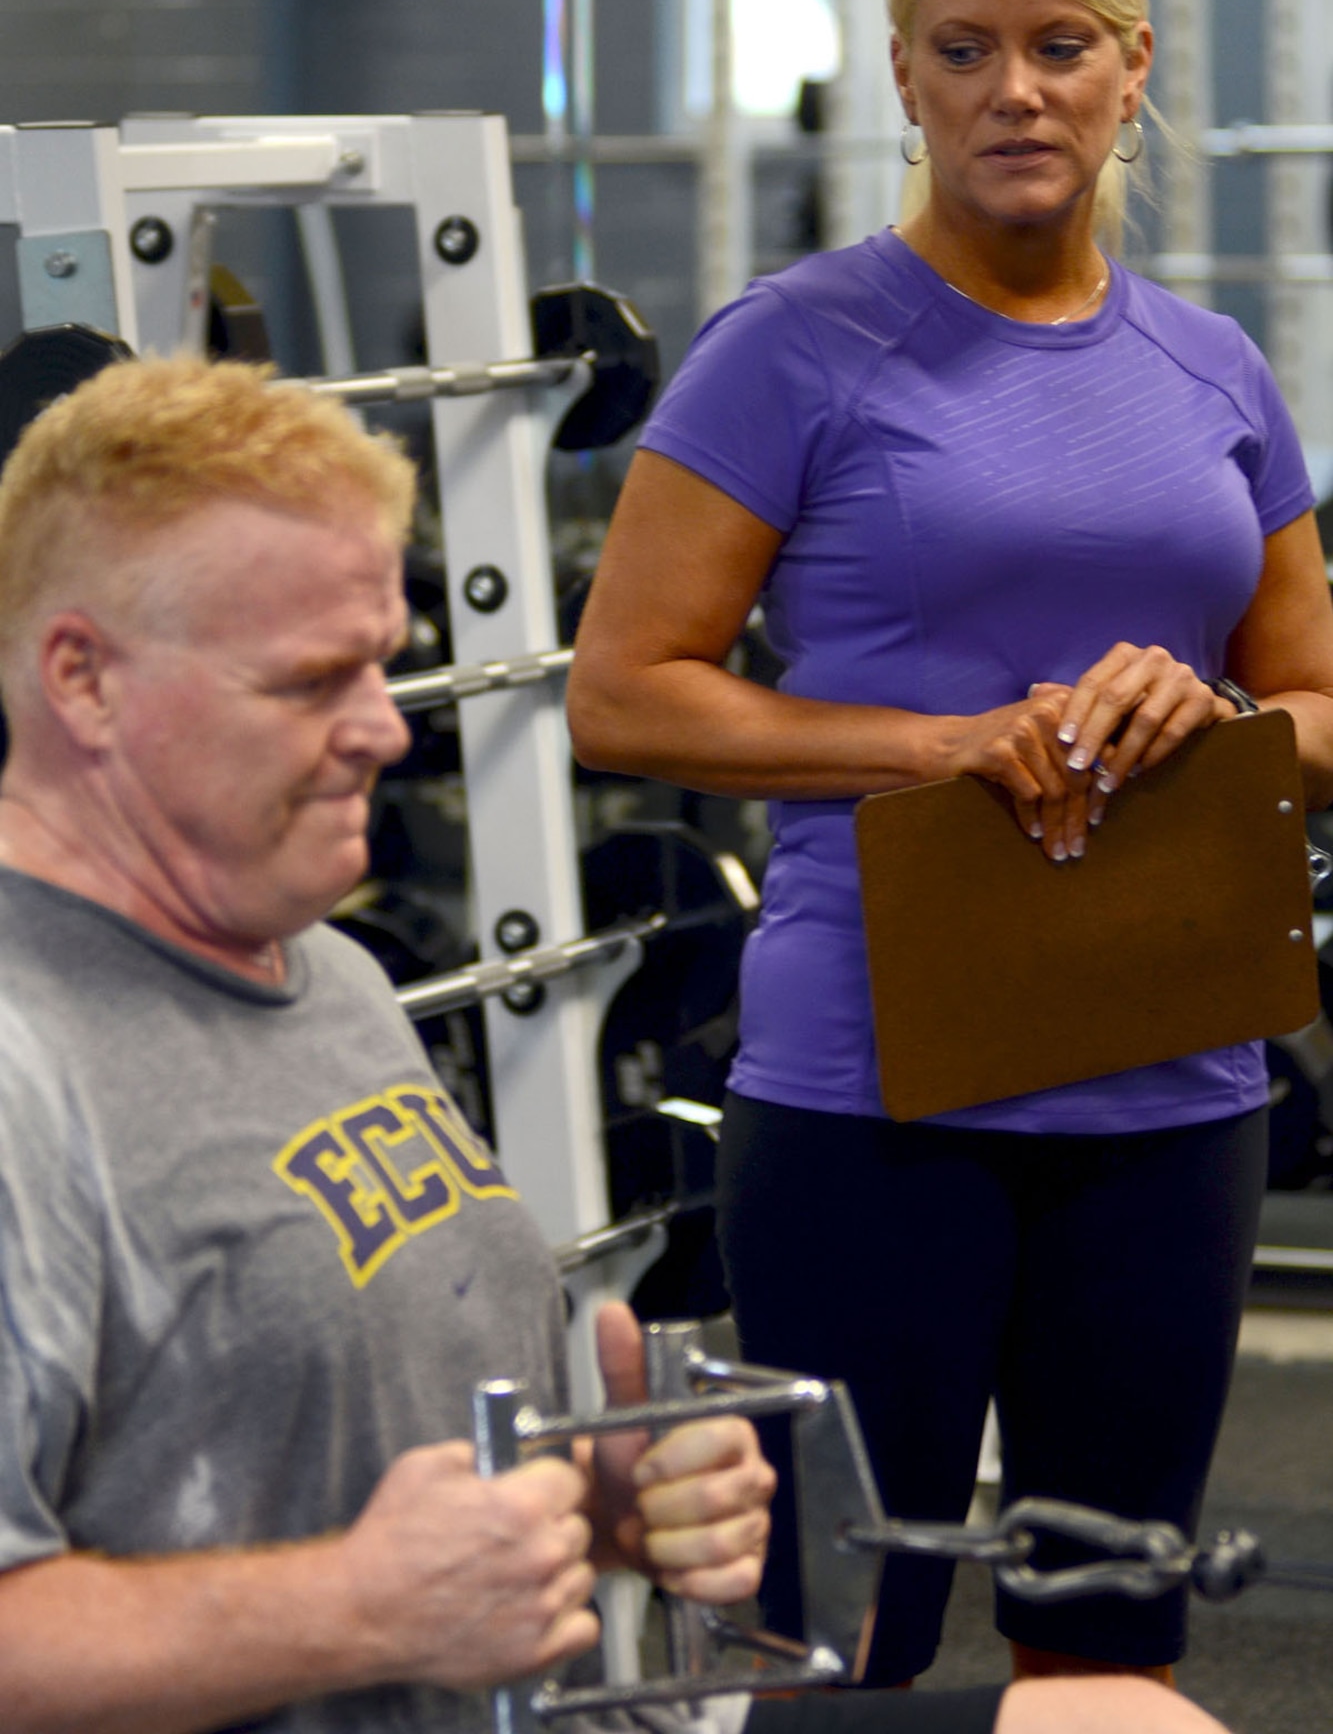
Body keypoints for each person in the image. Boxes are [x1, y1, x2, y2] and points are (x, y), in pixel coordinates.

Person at [0, 352, 1234, 1734]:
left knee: (1120, 1716)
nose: (379, 734)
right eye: (307, 683)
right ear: (83, 683)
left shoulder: (323, 973)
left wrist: (608, 1500)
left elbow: (405, 1477)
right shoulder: (26, 1070)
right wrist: (355, 1603)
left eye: (381, 669)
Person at [566, 0, 1333, 1698]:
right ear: (904, 72)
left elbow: (1315, 700)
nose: (1015, 90)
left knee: (1109, 1629)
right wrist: (939, 742)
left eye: (1060, 44)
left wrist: (1220, 725)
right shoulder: (794, 350)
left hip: (1169, 1084)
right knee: (847, 1638)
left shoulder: (1213, 368)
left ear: (1132, 67)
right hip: (870, 1089)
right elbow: (626, 694)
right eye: (965, 47)